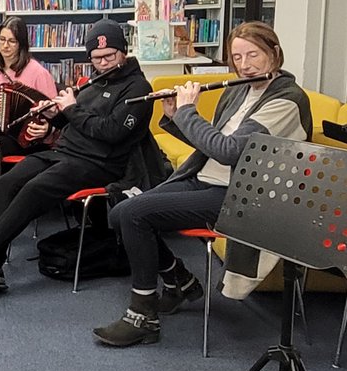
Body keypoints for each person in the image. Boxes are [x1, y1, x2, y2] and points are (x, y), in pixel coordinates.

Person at [92, 22, 311, 348]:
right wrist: (175, 116)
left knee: (135, 214)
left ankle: (143, 316)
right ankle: (179, 279)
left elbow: (229, 151)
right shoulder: (239, 90)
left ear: (274, 53)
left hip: (240, 196)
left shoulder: (287, 100)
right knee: (119, 211)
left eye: (254, 54)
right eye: (238, 57)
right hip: (205, 179)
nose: (245, 65)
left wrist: (188, 111)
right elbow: (211, 145)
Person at [0, 18, 151, 292]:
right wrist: (51, 119)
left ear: (123, 51)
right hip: (66, 152)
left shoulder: (138, 88)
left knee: (34, 188)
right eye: (97, 58)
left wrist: (71, 108)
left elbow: (111, 132)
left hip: (99, 163)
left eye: (110, 56)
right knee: (8, 182)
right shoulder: (96, 82)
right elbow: (73, 121)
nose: (104, 63)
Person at [0, 16, 58, 235]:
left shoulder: (38, 72)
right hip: (5, 133)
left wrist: (46, 123)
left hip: (31, 138)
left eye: (11, 41)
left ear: (21, 44)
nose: (5, 46)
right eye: (1, 40)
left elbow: (55, 111)